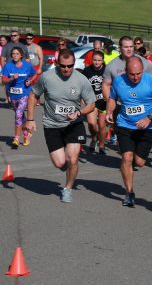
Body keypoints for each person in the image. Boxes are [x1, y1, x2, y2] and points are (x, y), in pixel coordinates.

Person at [25, 48, 96, 203]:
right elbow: (33, 95)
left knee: (73, 159)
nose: (66, 69)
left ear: (74, 64)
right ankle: (68, 169)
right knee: (59, 163)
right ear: (57, 63)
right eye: (63, 66)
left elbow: (91, 104)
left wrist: (79, 113)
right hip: (52, 125)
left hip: (74, 124)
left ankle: (68, 188)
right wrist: (30, 120)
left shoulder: (81, 79)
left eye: (70, 66)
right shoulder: (47, 77)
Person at [106, 57, 152, 207]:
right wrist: (109, 111)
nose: (136, 77)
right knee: (126, 158)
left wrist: (149, 117)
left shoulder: (151, 81)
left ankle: (128, 167)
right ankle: (129, 192)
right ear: (126, 71)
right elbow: (113, 98)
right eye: (132, 74)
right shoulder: (119, 81)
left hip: (147, 127)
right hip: (125, 124)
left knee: (139, 162)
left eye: (139, 73)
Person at [1, 47, 38, 148]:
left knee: (18, 114)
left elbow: (35, 74)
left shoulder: (27, 65)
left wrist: (30, 81)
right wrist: (12, 78)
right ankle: (26, 134)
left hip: (25, 94)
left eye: (17, 54)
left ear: (21, 55)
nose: (15, 55)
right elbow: (3, 81)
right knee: (21, 117)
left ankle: (16, 138)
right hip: (13, 95)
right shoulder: (8, 66)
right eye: (13, 54)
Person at [82, 51, 107, 154]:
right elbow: (82, 85)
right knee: (92, 123)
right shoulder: (87, 70)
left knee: (101, 125)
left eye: (99, 60)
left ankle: (102, 145)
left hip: (104, 101)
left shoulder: (106, 71)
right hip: (91, 100)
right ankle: (94, 138)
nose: (96, 62)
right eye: (95, 60)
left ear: (102, 61)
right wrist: (82, 99)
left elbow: (112, 84)